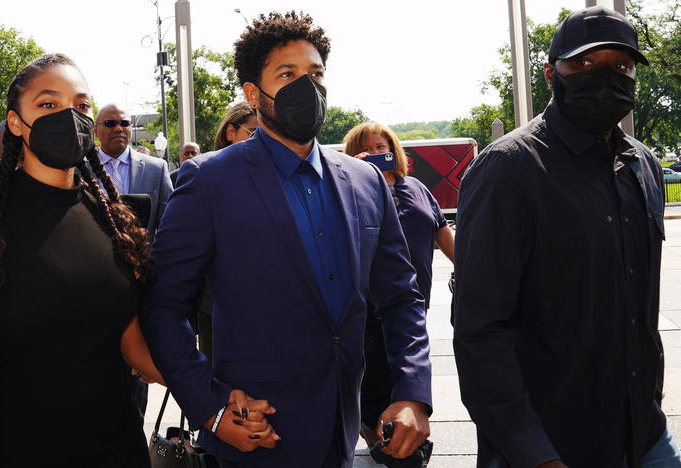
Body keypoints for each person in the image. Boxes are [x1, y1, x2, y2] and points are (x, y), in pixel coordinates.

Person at [140, 11, 432, 468]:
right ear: (254, 94)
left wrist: (414, 393)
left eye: (316, 73)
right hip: (254, 437)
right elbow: (163, 305)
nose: (307, 86)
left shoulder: (366, 182)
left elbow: (401, 298)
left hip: (345, 434)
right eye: (288, 74)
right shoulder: (209, 181)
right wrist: (211, 410)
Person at [452, 7, 681, 468]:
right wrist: (534, 453)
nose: (606, 77)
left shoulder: (643, 165)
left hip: (644, 434)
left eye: (621, 66)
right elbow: (480, 329)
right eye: (584, 64)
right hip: (552, 445)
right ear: (550, 73)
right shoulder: (509, 168)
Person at [0, 53, 163, 467]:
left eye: (81, 106)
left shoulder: (115, 217)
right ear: (15, 123)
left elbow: (129, 339)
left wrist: (212, 395)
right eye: (48, 105)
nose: (70, 117)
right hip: (18, 450)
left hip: (118, 448)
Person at [343, 121, 454, 447]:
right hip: (369, 308)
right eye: (368, 149)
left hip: (414, 302)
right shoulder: (349, 191)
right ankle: (380, 434)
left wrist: (472, 272)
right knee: (377, 378)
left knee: (407, 368)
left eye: (383, 147)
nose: (378, 153)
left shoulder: (417, 188)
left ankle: (395, 436)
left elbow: (441, 233)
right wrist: (357, 178)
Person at [94, 102, 173, 241]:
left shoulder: (156, 169)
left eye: (124, 123)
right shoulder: (78, 170)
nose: (118, 128)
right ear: (95, 130)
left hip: (143, 259)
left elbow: (168, 224)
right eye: (110, 123)